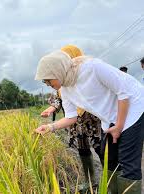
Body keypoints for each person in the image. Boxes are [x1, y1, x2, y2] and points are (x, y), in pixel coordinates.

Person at [35, 50, 144, 194]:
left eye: (48, 80)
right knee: (109, 159)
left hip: (133, 108)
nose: (47, 84)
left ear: (58, 71)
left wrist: (118, 126)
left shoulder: (93, 67)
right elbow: (71, 117)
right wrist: (50, 127)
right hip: (110, 117)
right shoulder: (66, 90)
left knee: (128, 163)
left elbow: (124, 92)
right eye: (45, 81)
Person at [41, 45, 102, 189]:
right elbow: (59, 99)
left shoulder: (86, 74)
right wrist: (51, 109)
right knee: (83, 150)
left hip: (93, 119)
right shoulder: (63, 82)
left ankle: (110, 181)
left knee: (101, 148)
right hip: (74, 121)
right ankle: (90, 181)